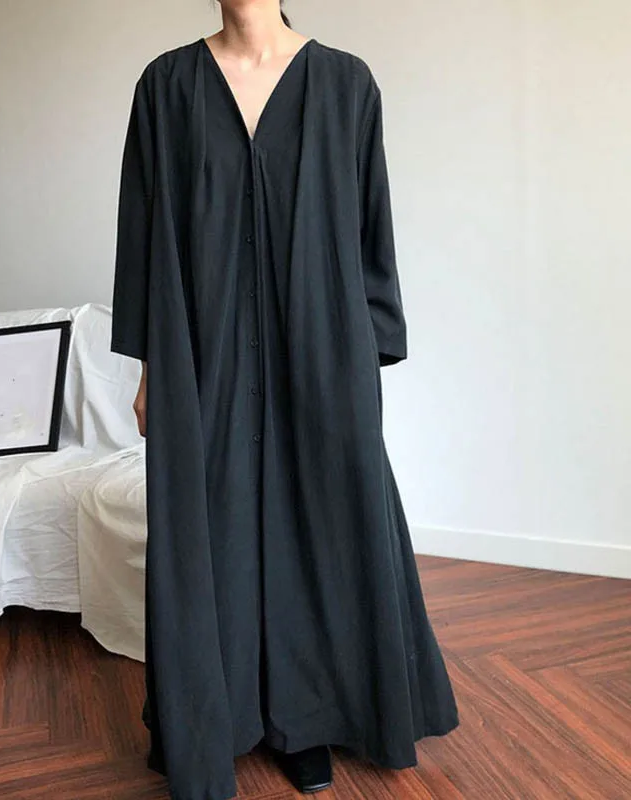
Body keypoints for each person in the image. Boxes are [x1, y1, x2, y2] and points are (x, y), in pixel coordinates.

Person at [109, 1, 460, 798]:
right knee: (214, 529)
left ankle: (308, 720)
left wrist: (369, 348)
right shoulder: (166, 86)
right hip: (202, 351)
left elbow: (372, 223)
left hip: (324, 343)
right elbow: (143, 232)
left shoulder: (345, 83)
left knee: (325, 524)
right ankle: (215, 722)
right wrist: (150, 369)